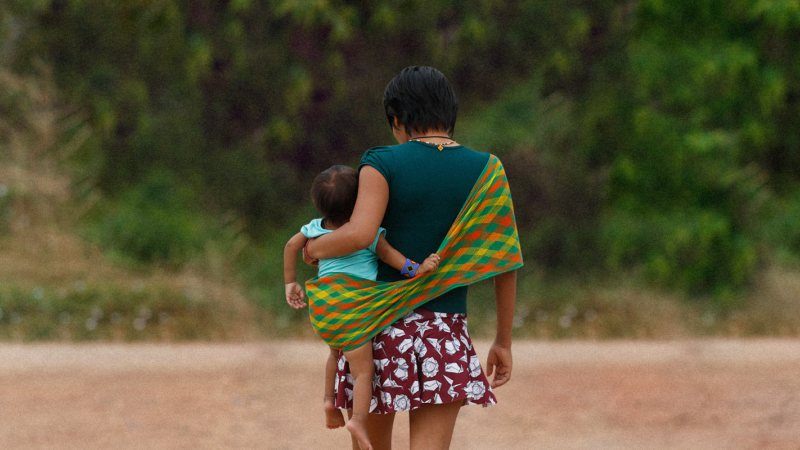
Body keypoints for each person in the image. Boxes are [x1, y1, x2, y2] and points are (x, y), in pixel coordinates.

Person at [305, 66, 519, 450]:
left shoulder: (382, 161)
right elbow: (504, 262)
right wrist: (502, 341)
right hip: (446, 334)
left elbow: (360, 234)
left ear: (398, 119)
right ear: (450, 113)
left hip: (379, 327)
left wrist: (312, 248)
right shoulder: (487, 170)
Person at [284, 164, 441, 450]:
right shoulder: (366, 234)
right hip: (353, 309)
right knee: (363, 371)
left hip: (325, 309)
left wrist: (290, 282)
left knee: (336, 354)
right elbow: (392, 257)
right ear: (361, 201)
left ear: (318, 203)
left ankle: (329, 402)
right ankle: (357, 418)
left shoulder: (313, 230)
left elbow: (291, 246)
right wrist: (418, 268)